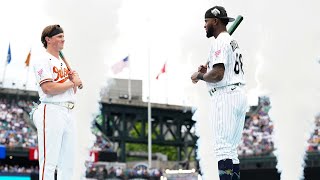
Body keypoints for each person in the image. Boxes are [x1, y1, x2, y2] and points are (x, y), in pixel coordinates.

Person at [191, 6, 247, 180]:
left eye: (206, 21)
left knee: (223, 148)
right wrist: (207, 70)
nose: (204, 26)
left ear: (215, 21)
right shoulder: (231, 41)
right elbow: (219, 69)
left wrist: (200, 75)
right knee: (231, 149)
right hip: (238, 94)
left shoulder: (219, 41)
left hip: (225, 95)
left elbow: (217, 74)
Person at [32, 24, 82, 180]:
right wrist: (73, 82)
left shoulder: (61, 62)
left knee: (68, 163)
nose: (63, 39)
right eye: (59, 36)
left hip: (68, 111)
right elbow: (48, 88)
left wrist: (73, 80)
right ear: (48, 39)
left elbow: (69, 91)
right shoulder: (42, 60)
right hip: (52, 109)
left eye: (63, 36)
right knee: (49, 162)